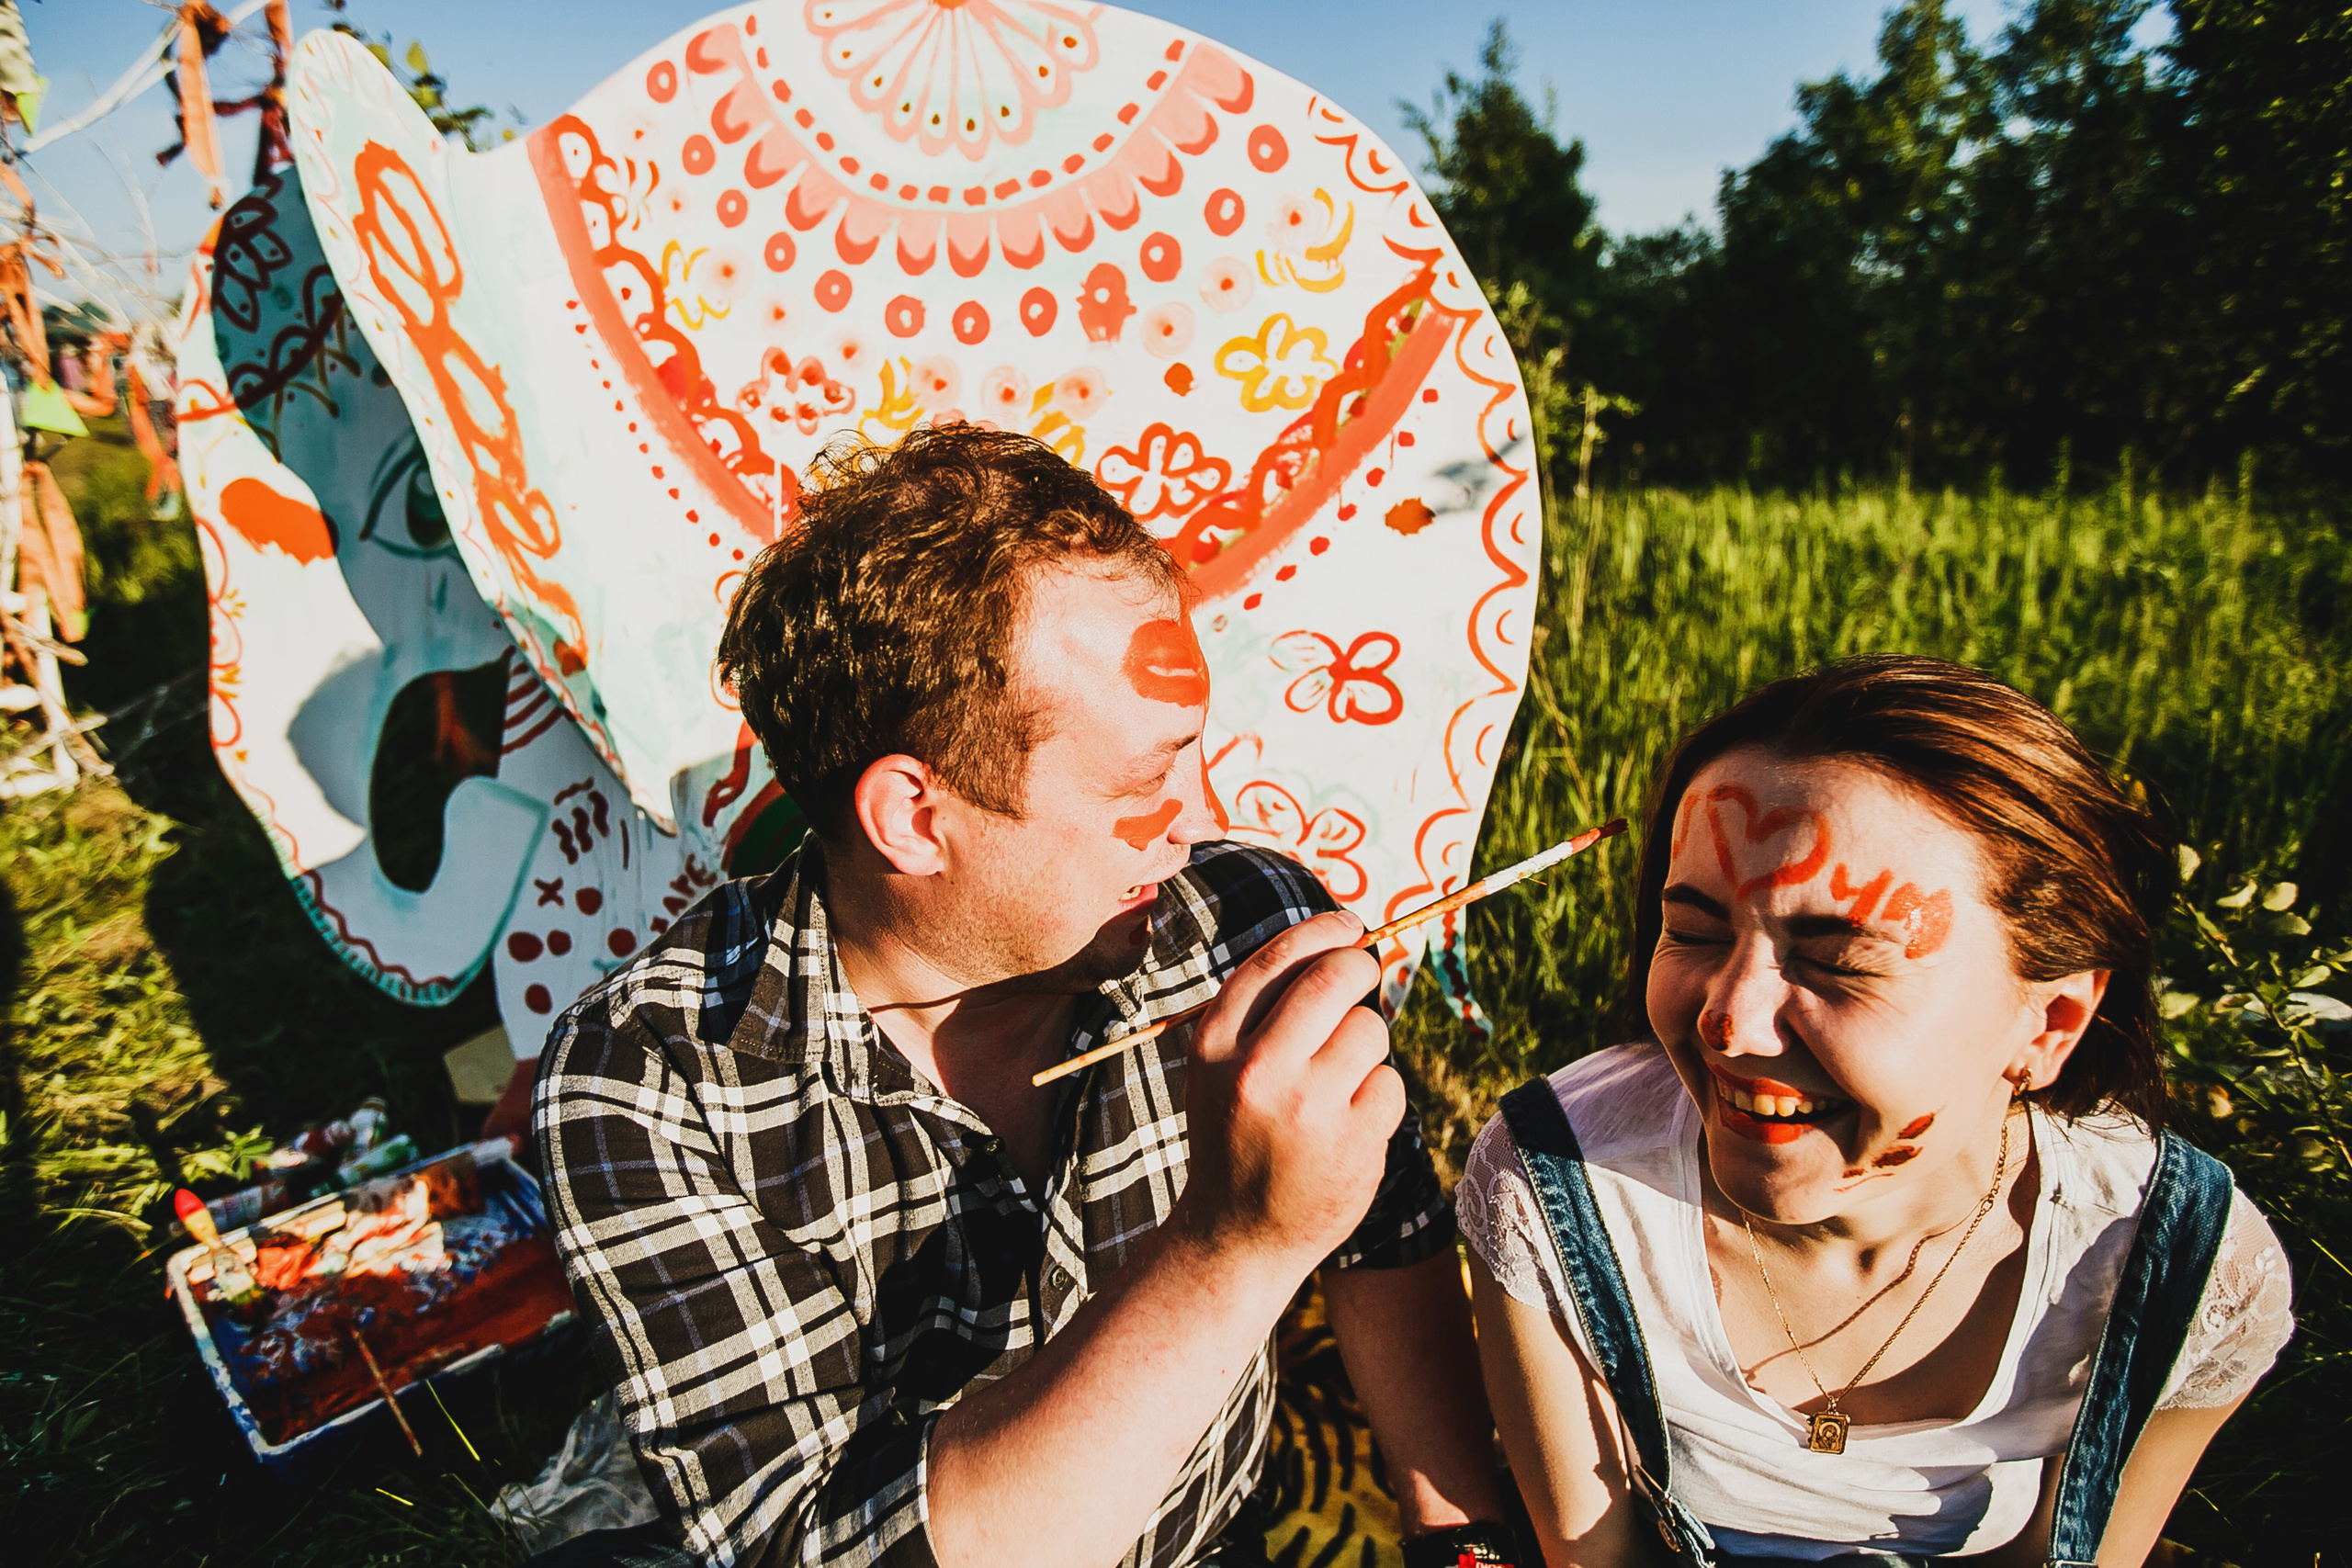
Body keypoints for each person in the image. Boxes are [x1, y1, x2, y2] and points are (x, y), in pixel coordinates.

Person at [533, 426, 1516, 1568]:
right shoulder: (651, 1082)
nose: (1188, 824)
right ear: (913, 817)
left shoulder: (1243, 924)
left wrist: (1465, 1537)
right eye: (1141, 781)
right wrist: (1226, 1252)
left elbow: (1379, 1237)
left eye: (1185, 760)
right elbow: (814, 1550)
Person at [1457, 656, 2294, 1566]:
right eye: (1694, 931)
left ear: (2048, 1022)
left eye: (1837, 960)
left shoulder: (2178, 1267)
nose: (1725, 1021)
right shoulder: (1559, 1188)